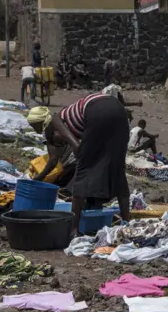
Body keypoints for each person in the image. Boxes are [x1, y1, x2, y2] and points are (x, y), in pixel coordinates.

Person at [36, 93, 131, 232]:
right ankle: (127, 223)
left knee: (83, 172)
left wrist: (76, 148)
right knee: (117, 170)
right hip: (119, 110)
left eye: (58, 142)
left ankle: (74, 229)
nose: (61, 144)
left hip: (98, 110)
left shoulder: (56, 119)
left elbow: (75, 146)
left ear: (54, 132)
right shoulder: (77, 124)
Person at [26, 107, 77, 189]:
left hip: (73, 162)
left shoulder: (48, 131)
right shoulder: (61, 121)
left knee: (62, 188)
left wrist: (40, 177)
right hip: (78, 157)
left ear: (41, 122)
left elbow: (53, 160)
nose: (34, 129)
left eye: (34, 126)